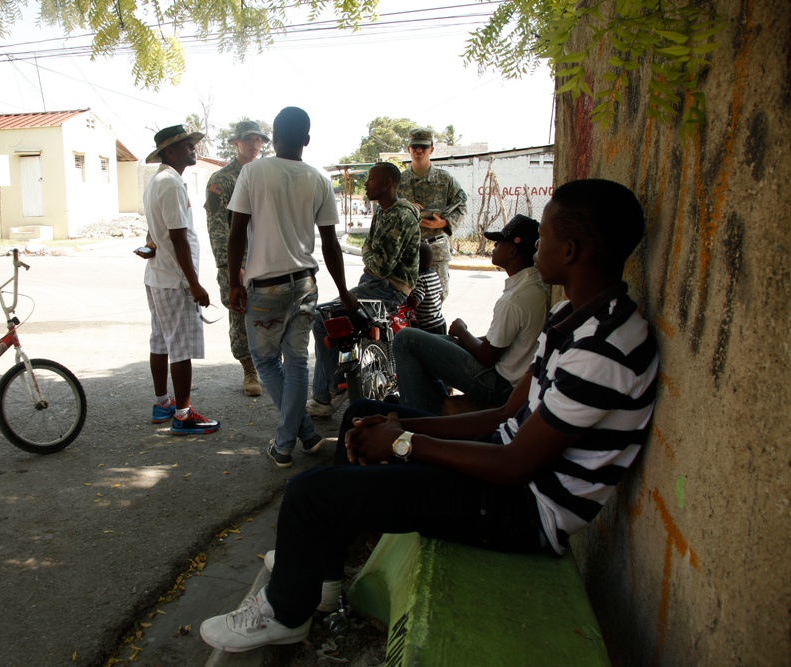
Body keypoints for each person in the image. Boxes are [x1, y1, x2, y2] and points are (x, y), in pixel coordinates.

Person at [199, 178, 659, 653]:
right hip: (506, 471)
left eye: (543, 234)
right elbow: (504, 413)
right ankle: (322, 577)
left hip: (525, 510)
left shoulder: (604, 351)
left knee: (306, 494)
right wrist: (402, 426)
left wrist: (404, 444)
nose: (536, 243)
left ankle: (285, 613)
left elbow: (516, 464)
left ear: (570, 251)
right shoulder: (574, 319)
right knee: (361, 413)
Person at [227, 106, 357, 468]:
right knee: (297, 364)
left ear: (275, 138)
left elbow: (237, 234)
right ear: (307, 140)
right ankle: (307, 434)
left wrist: (233, 282)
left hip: (264, 289)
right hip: (305, 284)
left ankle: (284, 444)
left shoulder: (252, 172)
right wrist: (344, 290)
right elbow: (330, 244)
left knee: (267, 363)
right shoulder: (318, 179)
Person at [393, 214, 547, 413]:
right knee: (438, 343)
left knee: (406, 339)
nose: (494, 247)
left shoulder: (515, 299)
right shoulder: (530, 286)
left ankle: (416, 418)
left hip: (500, 385)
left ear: (512, 251)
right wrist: (460, 341)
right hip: (507, 373)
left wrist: (462, 331)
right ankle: (434, 409)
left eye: (499, 242)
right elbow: (500, 342)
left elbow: (486, 356)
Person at [307, 161, 420, 418]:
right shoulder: (382, 212)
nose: (366, 184)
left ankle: (325, 396)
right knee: (335, 322)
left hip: (387, 289)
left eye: (371, 178)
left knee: (321, 319)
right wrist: (369, 254)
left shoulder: (401, 215)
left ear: (388, 183)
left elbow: (380, 265)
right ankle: (336, 384)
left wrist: (368, 254)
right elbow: (370, 250)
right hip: (372, 284)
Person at [142, 125, 220, 436]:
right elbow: (178, 238)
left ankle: (163, 403)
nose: (193, 148)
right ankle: (183, 415)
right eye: (186, 145)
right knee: (181, 348)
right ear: (169, 151)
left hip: (158, 276)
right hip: (174, 281)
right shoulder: (171, 183)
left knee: (160, 341)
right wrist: (195, 283)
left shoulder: (159, 181)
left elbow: (156, 232)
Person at [205, 120, 270, 397]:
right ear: (235, 143)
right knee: (240, 315)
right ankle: (249, 370)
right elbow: (218, 228)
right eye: (248, 139)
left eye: (259, 139)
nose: (255, 144)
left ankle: (268, 364)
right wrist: (231, 267)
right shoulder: (222, 180)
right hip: (238, 261)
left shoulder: (265, 175)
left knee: (269, 312)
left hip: (266, 258)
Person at [398, 127, 467, 301]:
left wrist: (444, 223)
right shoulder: (398, 181)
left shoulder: (445, 179)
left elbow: (462, 205)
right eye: (415, 147)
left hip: (436, 251)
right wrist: (404, 208)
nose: (419, 150)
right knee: (404, 304)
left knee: (435, 302)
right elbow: (385, 210)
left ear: (432, 149)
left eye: (423, 146)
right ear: (409, 149)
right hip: (406, 253)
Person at [406, 241, 447, 335]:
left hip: (429, 327)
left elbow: (415, 303)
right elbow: (439, 293)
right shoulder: (434, 274)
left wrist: (407, 290)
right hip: (439, 322)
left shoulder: (421, 279)